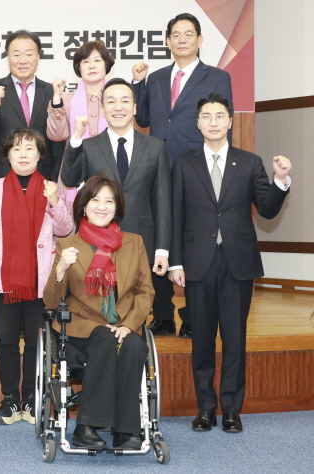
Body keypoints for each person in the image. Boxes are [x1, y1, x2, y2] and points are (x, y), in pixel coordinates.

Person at [169, 93, 291, 433]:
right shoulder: (184, 163)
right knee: (202, 338)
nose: (213, 122)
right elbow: (176, 216)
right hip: (197, 262)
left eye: (219, 116)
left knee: (235, 338)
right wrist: (176, 262)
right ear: (197, 123)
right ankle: (206, 407)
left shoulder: (249, 162)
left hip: (238, 261)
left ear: (230, 121)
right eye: (206, 116)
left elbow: (267, 209)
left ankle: (232, 409)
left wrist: (280, 180)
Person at [133, 12, 234, 338]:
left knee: (193, 241)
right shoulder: (157, 78)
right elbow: (144, 118)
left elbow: (223, 124)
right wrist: (138, 84)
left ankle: (193, 317)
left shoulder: (217, 77)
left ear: (200, 40)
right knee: (158, 240)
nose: (182, 40)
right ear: (168, 42)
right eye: (176, 35)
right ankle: (162, 315)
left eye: (188, 34)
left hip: (195, 168)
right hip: (157, 167)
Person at [43, 174, 153, 450]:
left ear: (117, 208)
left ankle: (126, 430)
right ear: (83, 205)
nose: (102, 207)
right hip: (81, 329)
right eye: (95, 200)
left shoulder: (134, 243)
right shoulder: (68, 245)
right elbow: (51, 301)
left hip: (123, 325)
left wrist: (128, 325)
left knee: (134, 346)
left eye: (109, 201)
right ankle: (86, 427)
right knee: (105, 338)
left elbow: (145, 291)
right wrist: (61, 270)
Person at [0, 128, 73, 425]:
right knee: (5, 339)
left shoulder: (51, 188)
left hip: (40, 280)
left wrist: (55, 202)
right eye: (17, 149)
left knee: (36, 342)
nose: (23, 154)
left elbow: (66, 230)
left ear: (39, 155)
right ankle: (10, 399)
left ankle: (32, 398)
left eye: (29, 148)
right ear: (8, 155)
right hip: (3, 278)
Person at [60, 78, 171, 315]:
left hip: (140, 241)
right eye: (111, 101)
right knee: (98, 311)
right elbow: (69, 179)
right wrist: (76, 139)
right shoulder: (89, 146)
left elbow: (162, 201)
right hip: (96, 243)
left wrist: (162, 249)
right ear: (102, 109)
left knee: (135, 310)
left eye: (125, 101)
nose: (118, 107)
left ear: (135, 108)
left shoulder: (155, 147)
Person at [0, 30, 65, 182]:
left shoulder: (51, 91)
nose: (23, 60)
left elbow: (57, 141)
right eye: (16, 54)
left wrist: (56, 178)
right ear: (8, 58)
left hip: (42, 173)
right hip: (2, 173)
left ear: (38, 57)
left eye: (29, 54)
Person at [47, 41, 117, 208]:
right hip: (73, 173)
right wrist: (57, 98)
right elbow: (57, 136)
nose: (91, 65)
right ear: (78, 68)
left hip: (112, 171)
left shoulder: (117, 99)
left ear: (106, 64)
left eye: (97, 60)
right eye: (86, 61)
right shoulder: (66, 100)